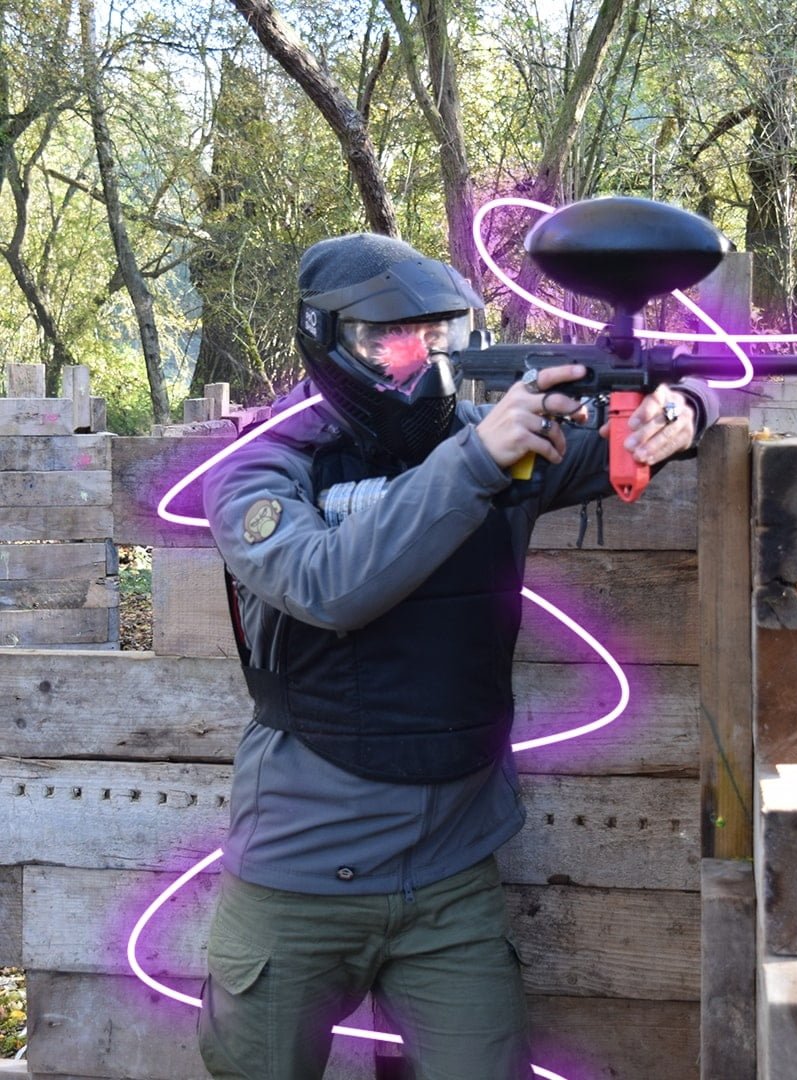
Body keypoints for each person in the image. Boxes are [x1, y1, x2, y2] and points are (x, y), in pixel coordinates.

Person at [198, 232, 723, 1080]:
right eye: (387, 338)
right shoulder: (261, 468)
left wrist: (684, 407)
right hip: (299, 880)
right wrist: (478, 460)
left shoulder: (502, 447)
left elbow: (642, 436)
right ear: (326, 337)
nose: (419, 359)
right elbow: (326, 584)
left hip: (450, 882)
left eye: (437, 334)